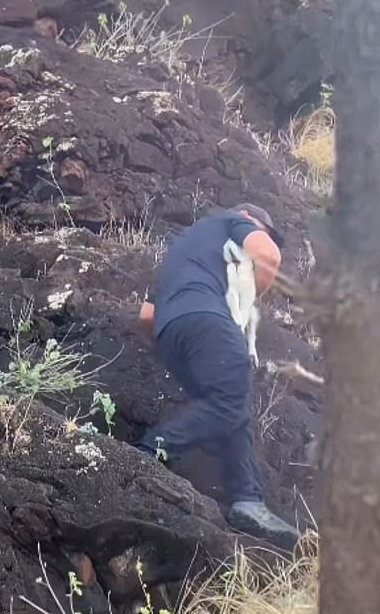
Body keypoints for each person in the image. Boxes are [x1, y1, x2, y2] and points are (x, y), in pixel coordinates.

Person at [135, 203, 301, 548]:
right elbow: (268, 257)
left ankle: (247, 500)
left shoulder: (185, 249)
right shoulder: (233, 221)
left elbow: (147, 315)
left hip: (171, 332)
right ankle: (148, 453)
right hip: (208, 319)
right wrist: (238, 306)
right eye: (264, 230)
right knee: (228, 401)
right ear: (250, 219)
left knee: (230, 409)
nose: (265, 237)